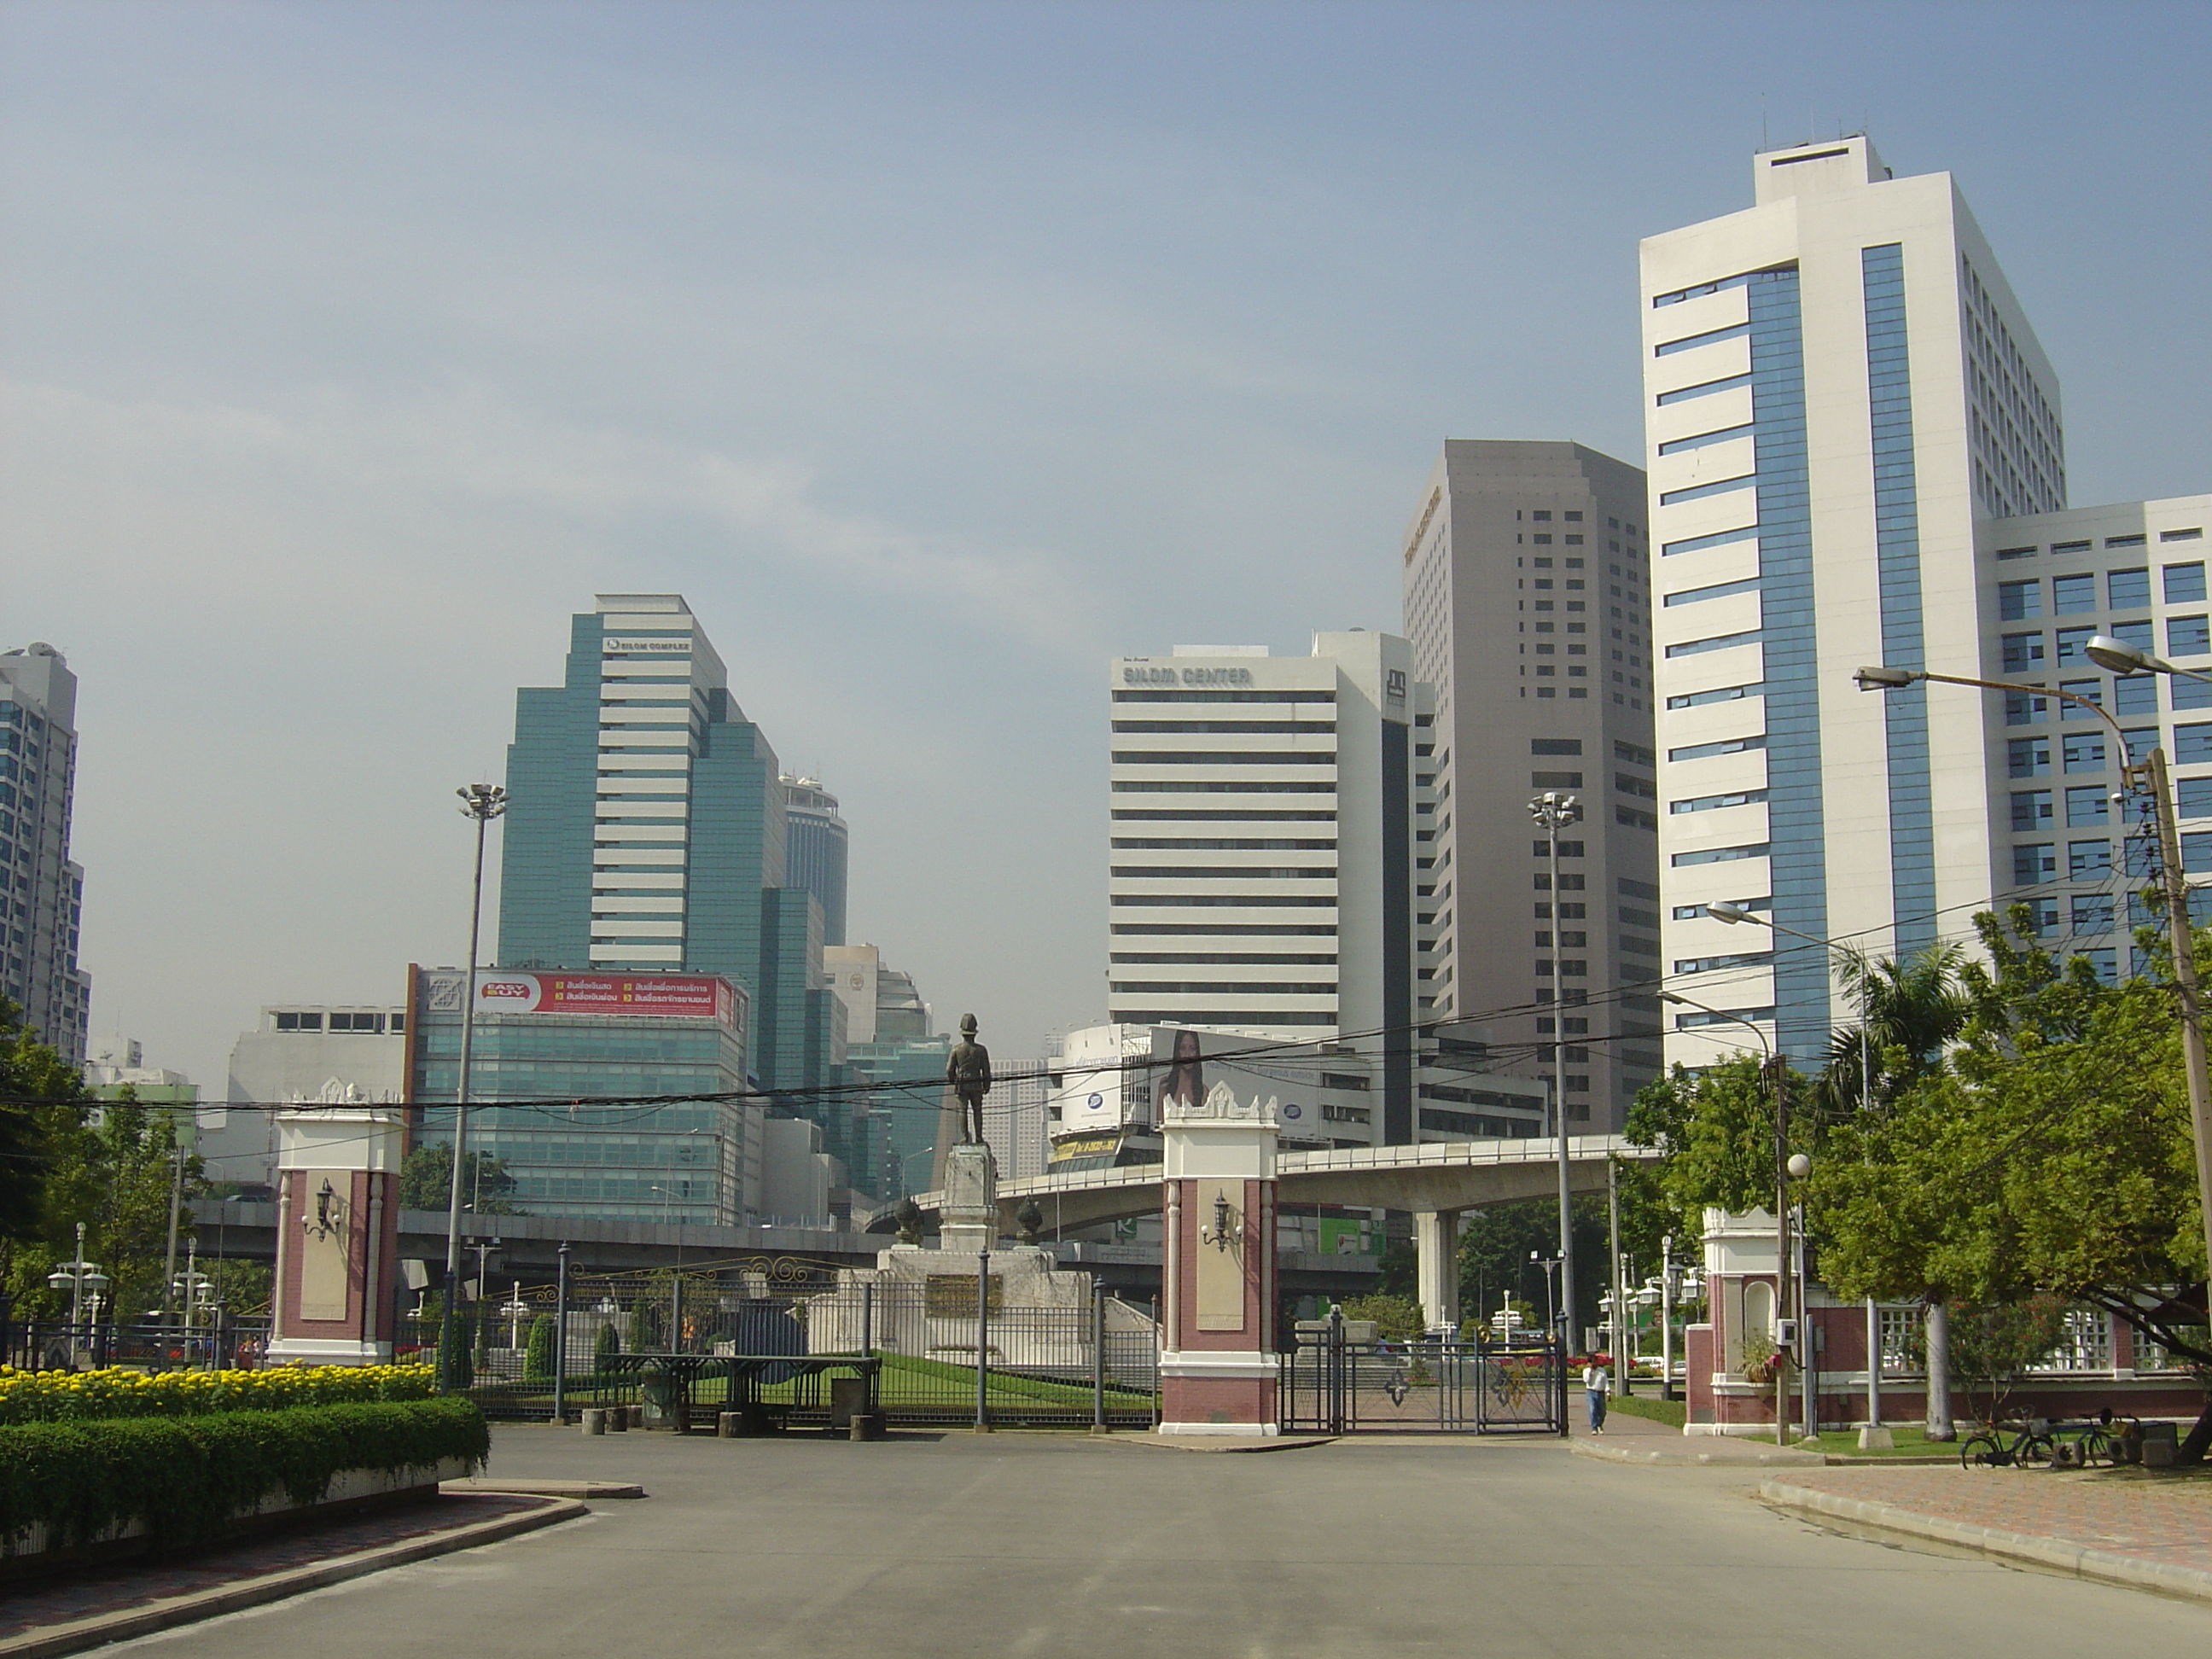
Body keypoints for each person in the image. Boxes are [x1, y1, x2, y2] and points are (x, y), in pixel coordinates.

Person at [1154, 1029, 1204, 1120]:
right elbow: (1160, 1122)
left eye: (1192, 1049)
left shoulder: (1202, 1090)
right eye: (1183, 1048)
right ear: (1177, 1051)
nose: (1187, 1055)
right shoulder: (1166, 1085)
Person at [1583, 1357, 1610, 1434]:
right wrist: (1590, 1372)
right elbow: (1586, 1381)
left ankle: (1599, 1424)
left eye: (1595, 1362)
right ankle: (1594, 1428)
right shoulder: (1586, 1371)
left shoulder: (1602, 1371)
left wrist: (1608, 1392)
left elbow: (1605, 1382)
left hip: (1600, 1392)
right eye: (1592, 1362)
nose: (1594, 1364)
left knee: (1602, 1411)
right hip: (1591, 1392)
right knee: (1592, 1409)